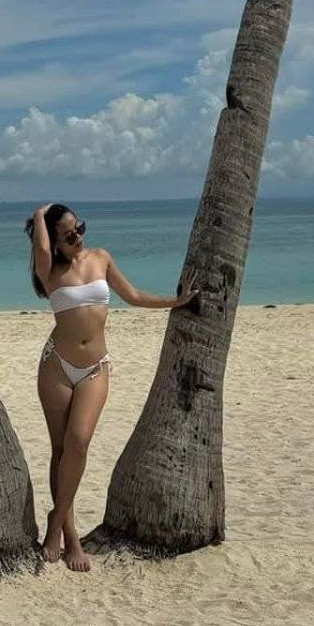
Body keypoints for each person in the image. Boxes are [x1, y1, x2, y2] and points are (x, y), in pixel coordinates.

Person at [25, 202, 199, 571]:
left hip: (95, 368)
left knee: (78, 442)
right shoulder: (49, 270)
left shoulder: (101, 257)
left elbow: (132, 295)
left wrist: (176, 301)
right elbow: (39, 247)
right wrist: (40, 214)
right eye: (68, 234)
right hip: (56, 365)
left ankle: (55, 521)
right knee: (60, 449)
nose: (78, 237)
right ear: (54, 241)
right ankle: (70, 535)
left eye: (80, 228)